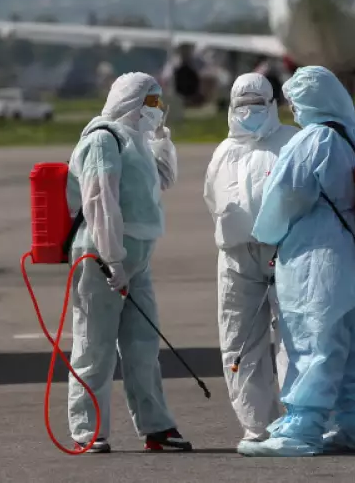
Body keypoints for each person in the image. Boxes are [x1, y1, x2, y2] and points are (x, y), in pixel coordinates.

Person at [238, 65, 355, 457]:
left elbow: (287, 194)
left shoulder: (313, 139)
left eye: (295, 101)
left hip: (318, 258)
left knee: (313, 340)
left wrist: (268, 235)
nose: (293, 110)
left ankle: (302, 428)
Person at [65, 72, 191, 454]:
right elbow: (99, 202)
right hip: (101, 258)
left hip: (136, 260)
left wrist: (162, 140)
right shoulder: (103, 140)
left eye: (159, 103)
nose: (157, 110)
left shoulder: (137, 141)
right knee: (95, 344)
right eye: (151, 102)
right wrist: (112, 258)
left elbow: (163, 179)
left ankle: (156, 426)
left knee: (142, 345)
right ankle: (87, 430)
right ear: (130, 101)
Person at [203, 73, 298, 452]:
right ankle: (257, 425)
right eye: (242, 106)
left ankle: (300, 420)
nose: (250, 112)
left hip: (285, 253)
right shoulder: (223, 152)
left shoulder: (291, 142)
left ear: (273, 105)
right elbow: (212, 199)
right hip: (236, 258)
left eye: (258, 105)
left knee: (294, 340)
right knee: (239, 342)